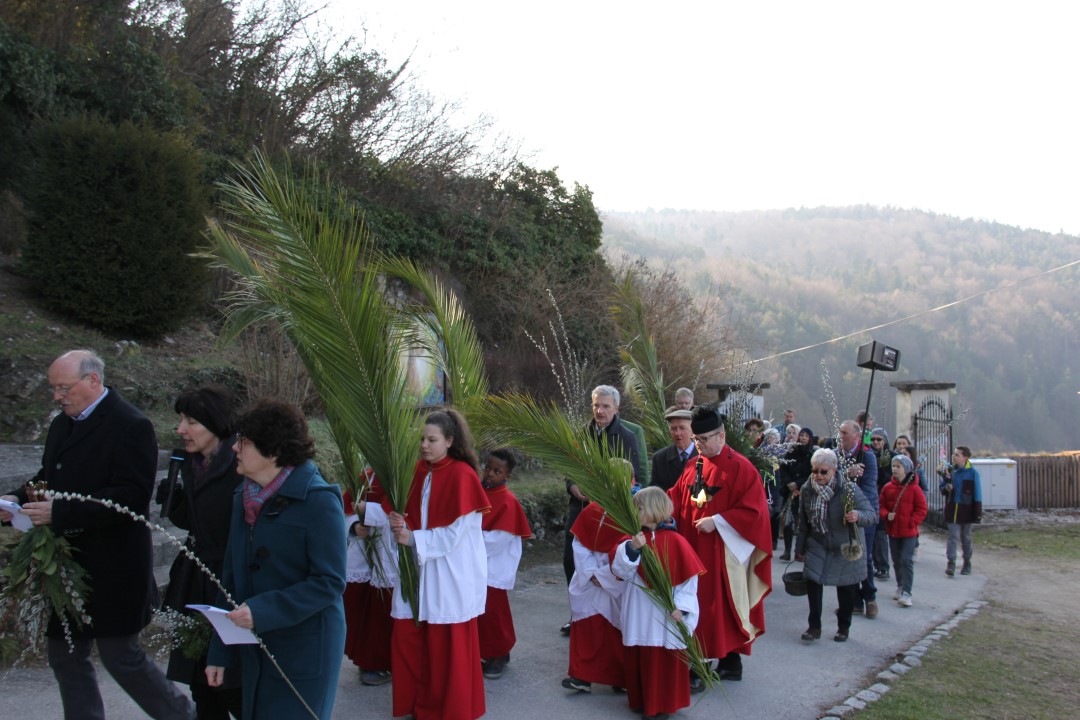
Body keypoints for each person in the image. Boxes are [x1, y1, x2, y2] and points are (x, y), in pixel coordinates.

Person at [1, 350, 195, 720]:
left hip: (114, 567)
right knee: (63, 654)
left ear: (92, 381)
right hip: (67, 567)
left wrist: (61, 512)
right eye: (53, 388)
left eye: (63, 387)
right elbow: (49, 476)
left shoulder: (131, 425)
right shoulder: (63, 424)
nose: (57, 396)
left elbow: (131, 499)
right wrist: (17, 498)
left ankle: (182, 716)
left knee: (121, 656)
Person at [205, 400, 346, 720]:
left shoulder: (318, 500)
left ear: (273, 450)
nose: (234, 449)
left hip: (306, 647)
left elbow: (330, 582)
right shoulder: (243, 497)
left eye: (244, 442)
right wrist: (220, 652)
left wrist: (263, 610)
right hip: (253, 647)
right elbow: (230, 579)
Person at [370, 409, 490, 720]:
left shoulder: (463, 476)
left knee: (446, 646)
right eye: (422, 438)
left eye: (432, 439)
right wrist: (397, 519)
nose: (424, 444)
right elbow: (406, 510)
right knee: (410, 639)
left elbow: (454, 535)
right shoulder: (417, 471)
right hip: (417, 567)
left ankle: (449, 709)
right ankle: (416, 703)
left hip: (449, 571)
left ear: (450, 441)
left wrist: (413, 538)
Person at [668, 406, 772, 687]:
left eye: (703, 439)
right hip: (692, 549)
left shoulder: (741, 468)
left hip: (722, 554)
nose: (698, 445)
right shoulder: (693, 465)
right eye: (696, 439)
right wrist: (656, 507)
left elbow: (755, 512)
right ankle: (730, 663)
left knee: (717, 608)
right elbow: (677, 496)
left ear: (722, 436)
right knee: (699, 604)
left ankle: (703, 668)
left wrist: (718, 521)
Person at [158, 385, 244, 719]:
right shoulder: (191, 463)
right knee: (199, 679)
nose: (181, 429)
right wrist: (176, 501)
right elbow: (196, 521)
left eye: (191, 421)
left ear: (215, 424)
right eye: (181, 420)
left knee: (232, 683)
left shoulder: (240, 462)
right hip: (194, 578)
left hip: (227, 579)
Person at [612, 487, 704, 719]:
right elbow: (620, 571)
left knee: (664, 659)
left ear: (654, 510)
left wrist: (682, 607)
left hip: (665, 611)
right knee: (642, 655)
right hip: (639, 609)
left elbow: (688, 582)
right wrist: (632, 549)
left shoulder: (676, 541)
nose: (635, 511)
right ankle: (643, 700)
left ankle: (663, 704)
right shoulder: (632, 539)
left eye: (639, 507)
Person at [561, 385, 641, 633]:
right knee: (571, 559)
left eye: (605, 406)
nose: (600, 410)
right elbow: (569, 466)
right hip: (581, 506)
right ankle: (578, 613)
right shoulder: (581, 435)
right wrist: (572, 485)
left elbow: (632, 474)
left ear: (616, 408)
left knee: (607, 561)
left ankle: (609, 617)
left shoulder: (627, 437)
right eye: (596, 405)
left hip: (610, 511)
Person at [562, 458, 633, 694]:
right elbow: (580, 543)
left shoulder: (634, 514)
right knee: (587, 628)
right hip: (589, 577)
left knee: (617, 630)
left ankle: (620, 677)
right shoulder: (592, 509)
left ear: (631, 482)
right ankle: (581, 676)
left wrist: (605, 576)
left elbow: (631, 552)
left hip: (616, 580)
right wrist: (592, 573)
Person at [794, 448, 876, 643]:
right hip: (818, 542)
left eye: (823, 471)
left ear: (834, 470)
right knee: (813, 582)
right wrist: (800, 548)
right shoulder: (807, 489)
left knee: (846, 587)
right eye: (815, 471)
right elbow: (803, 521)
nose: (818, 476)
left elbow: (871, 514)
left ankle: (843, 627)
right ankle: (814, 627)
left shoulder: (848, 489)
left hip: (844, 544)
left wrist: (858, 516)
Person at [478, 448, 533, 680]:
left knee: (493, 613)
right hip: (474, 563)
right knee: (478, 613)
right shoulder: (477, 491)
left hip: (493, 566)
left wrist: (466, 542)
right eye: (488, 467)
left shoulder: (508, 502)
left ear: (506, 476)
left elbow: (497, 540)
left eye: (497, 471)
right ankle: (486, 651)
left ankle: (500, 652)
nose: (490, 473)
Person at [341, 476, 395, 687]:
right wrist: (354, 525)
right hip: (364, 549)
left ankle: (381, 660)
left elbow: (402, 512)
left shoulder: (405, 471)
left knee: (383, 607)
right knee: (359, 605)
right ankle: (367, 657)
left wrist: (368, 512)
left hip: (390, 550)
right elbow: (347, 508)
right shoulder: (367, 475)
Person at [836, 420, 880, 618]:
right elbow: (833, 479)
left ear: (856, 436)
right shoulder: (838, 454)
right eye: (840, 432)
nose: (841, 436)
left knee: (865, 557)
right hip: (844, 511)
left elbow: (869, 488)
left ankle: (870, 598)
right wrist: (847, 474)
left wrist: (862, 512)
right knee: (849, 556)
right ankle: (853, 601)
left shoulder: (867, 456)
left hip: (864, 512)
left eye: (844, 433)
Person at [879, 454, 928, 607]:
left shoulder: (914, 489)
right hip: (893, 531)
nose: (895, 469)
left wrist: (911, 522)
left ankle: (907, 592)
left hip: (909, 532)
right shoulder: (887, 488)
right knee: (896, 560)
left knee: (906, 560)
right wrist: (887, 515)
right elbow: (881, 506)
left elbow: (922, 509)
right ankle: (900, 585)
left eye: (898, 466)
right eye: (893, 466)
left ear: (906, 470)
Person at [940, 446, 983, 576]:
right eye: (954, 454)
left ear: (965, 458)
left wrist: (977, 513)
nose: (953, 456)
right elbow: (942, 487)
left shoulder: (973, 473)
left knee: (966, 537)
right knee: (952, 536)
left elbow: (977, 493)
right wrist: (946, 488)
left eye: (957, 455)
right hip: (952, 508)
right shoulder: (949, 471)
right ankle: (951, 562)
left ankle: (967, 561)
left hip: (966, 509)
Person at [777, 426, 815, 561]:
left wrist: (798, 484)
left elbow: (812, 474)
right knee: (788, 520)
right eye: (802, 435)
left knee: (804, 522)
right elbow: (783, 467)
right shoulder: (792, 451)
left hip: (804, 490)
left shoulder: (812, 454)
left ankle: (800, 551)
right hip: (790, 490)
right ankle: (787, 550)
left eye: (806, 435)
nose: (803, 438)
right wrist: (789, 483)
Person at [868, 428, 895, 581]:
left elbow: (891, 478)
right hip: (870, 498)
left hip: (883, 499)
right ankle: (873, 564)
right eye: (873, 439)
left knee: (880, 535)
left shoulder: (891, 457)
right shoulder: (867, 455)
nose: (875, 442)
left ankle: (883, 566)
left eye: (878, 439)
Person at [649, 407, 697, 492]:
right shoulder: (660, 458)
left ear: (693, 430)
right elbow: (655, 491)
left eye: (682, 428)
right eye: (673, 429)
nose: (677, 433)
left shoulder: (705, 456)